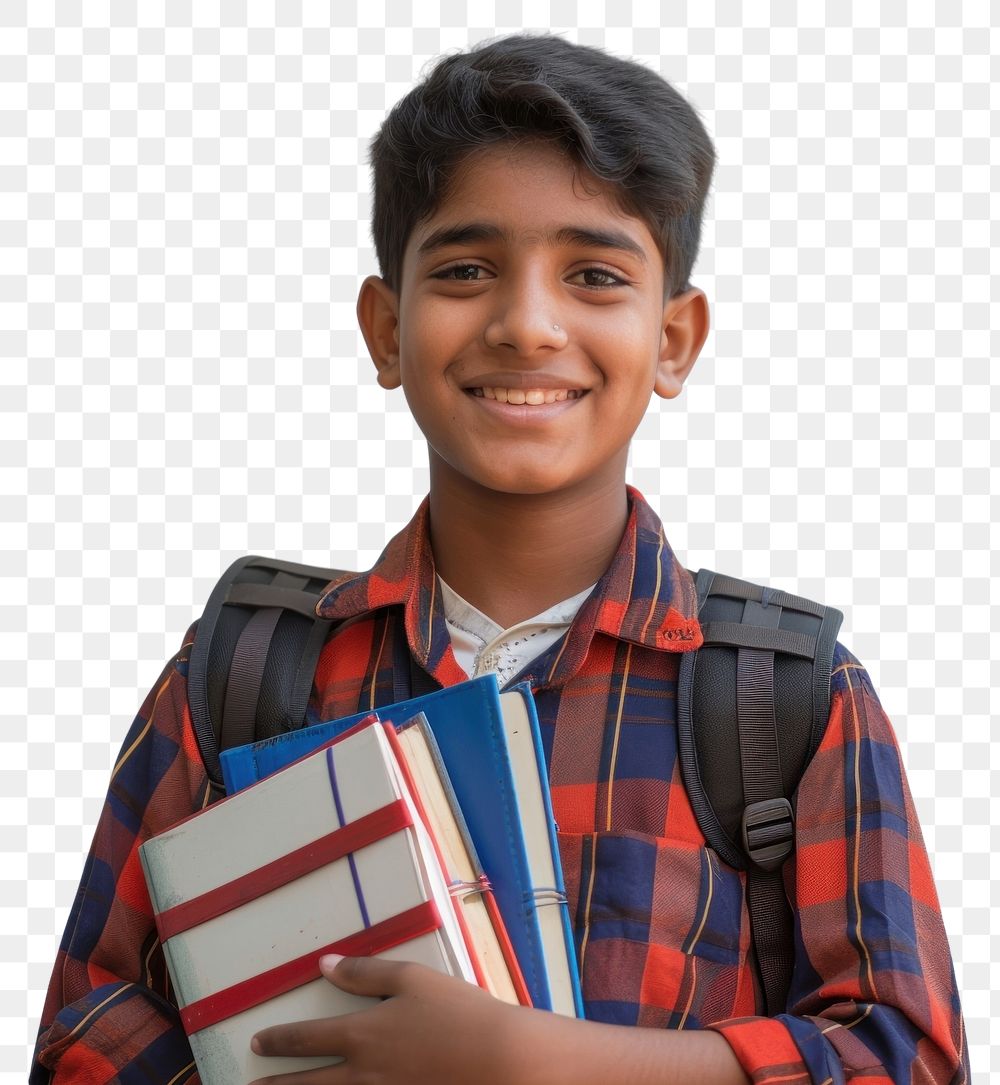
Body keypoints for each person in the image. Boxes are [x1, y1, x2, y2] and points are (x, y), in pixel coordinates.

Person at [32, 34, 968, 1085]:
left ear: (674, 341)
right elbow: (82, 1028)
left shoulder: (782, 699)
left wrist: (534, 1060)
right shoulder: (246, 672)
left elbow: (905, 1055)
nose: (527, 324)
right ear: (386, 330)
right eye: (468, 269)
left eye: (594, 275)